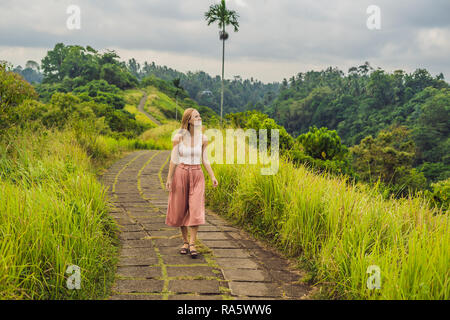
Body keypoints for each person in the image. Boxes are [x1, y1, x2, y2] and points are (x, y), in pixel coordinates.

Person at [165, 108, 218, 258]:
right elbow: (173, 159)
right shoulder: (178, 137)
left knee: (195, 208)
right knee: (181, 208)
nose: (199, 118)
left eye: (200, 115)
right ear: (188, 120)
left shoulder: (203, 138)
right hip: (181, 173)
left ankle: (193, 243)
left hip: (197, 174)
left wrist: (212, 176)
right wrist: (169, 179)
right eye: (196, 116)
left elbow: (205, 159)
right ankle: (185, 242)